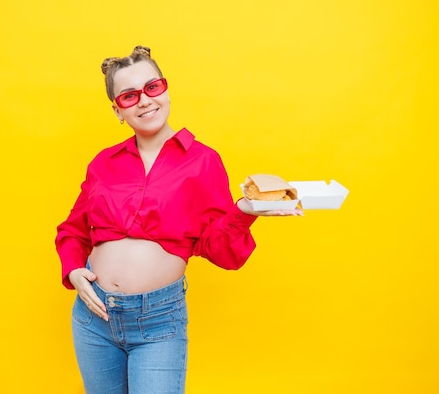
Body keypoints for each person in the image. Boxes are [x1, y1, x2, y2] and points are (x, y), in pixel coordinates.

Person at [55, 45, 302, 394]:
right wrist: (74, 271)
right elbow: (72, 231)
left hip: (158, 321)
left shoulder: (203, 162)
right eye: (129, 96)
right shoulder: (103, 163)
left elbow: (218, 249)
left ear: (166, 90)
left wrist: (244, 211)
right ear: (117, 110)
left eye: (152, 87)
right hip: (93, 318)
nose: (144, 101)